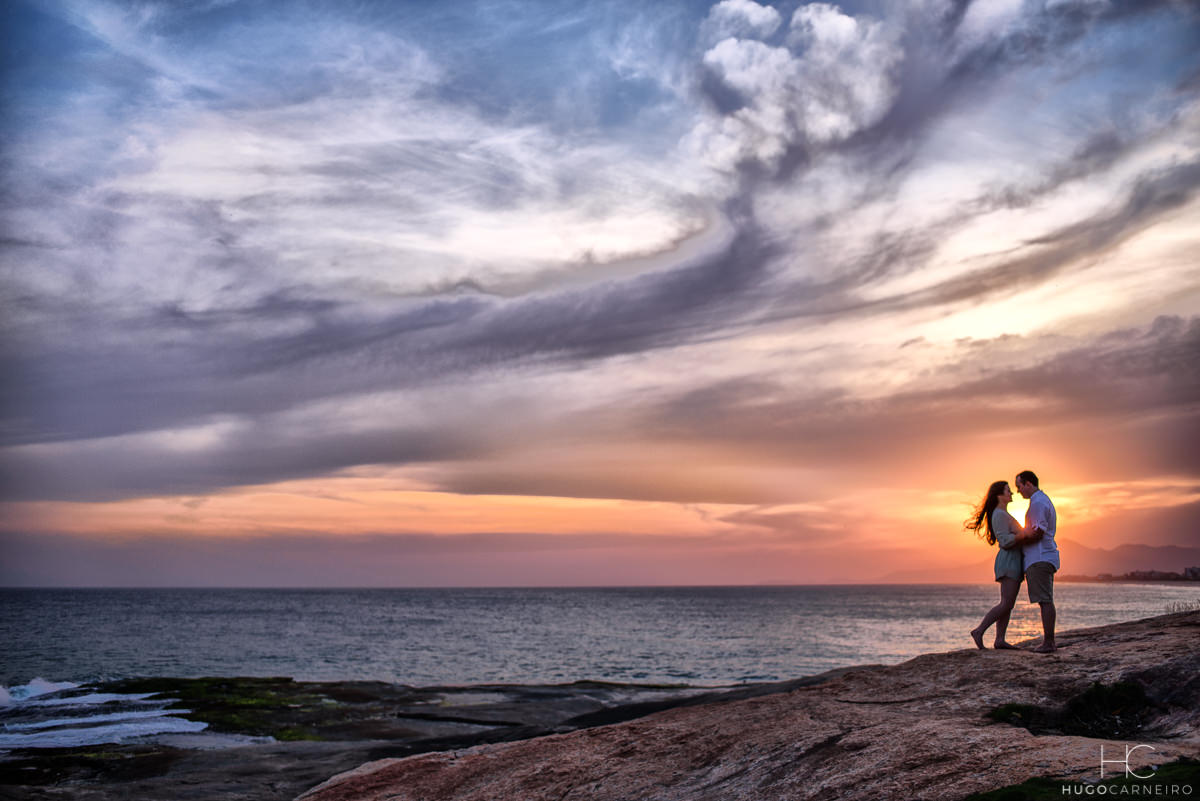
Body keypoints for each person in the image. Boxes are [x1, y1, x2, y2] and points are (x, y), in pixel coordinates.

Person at [965, 480, 1042, 650]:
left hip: (1013, 561)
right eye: (1008, 491)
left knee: (1008, 602)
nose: (1012, 493)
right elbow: (1005, 541)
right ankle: (979, 631)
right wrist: (1024, 535)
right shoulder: (999, 514)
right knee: (1006, 603)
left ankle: (1000, 639)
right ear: (1000, 495)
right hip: (1008, 561)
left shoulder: (1004, 513)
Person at [1016, 470, 1059, 653]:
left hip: (1040, 558)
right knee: (1045, 600)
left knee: (1045, 600)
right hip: (1042, 557)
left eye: (1019, 486)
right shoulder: (1040, 500)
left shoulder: (1038, 503)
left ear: (1028, 484)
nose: (1018, 491)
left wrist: (1017, 541)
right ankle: (1049, 642)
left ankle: (1049, 643)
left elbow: (1038, 531)